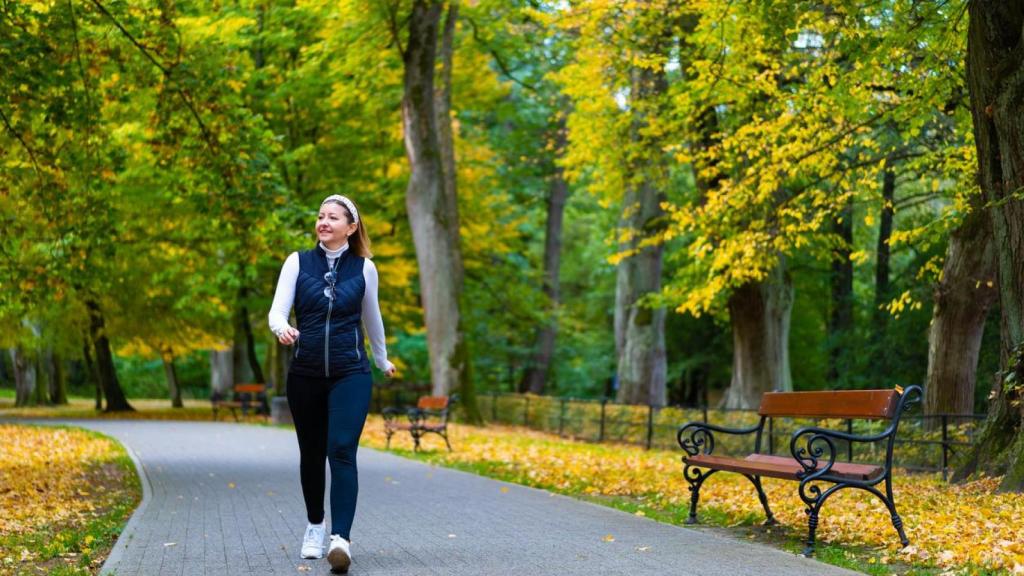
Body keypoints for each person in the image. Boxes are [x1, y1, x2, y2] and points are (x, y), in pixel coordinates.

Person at [268, 194, 396, 573]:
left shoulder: (364, 269)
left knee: (340, 449)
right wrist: (282, 327)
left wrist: (381, 358)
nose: (324, 222)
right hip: (305, 374)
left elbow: (372, 319)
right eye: (320, 216)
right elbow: (277, 309)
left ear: (351, 227)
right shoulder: (297, 262)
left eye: (333, 217)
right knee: (311, 452)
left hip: (350, 372)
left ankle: (341, 539)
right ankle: (314, 526)